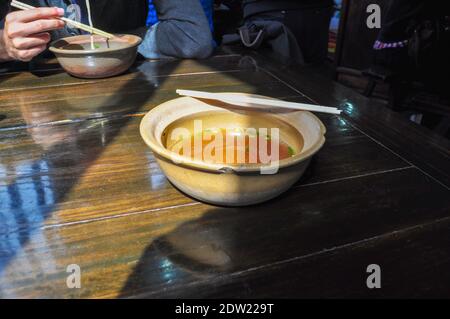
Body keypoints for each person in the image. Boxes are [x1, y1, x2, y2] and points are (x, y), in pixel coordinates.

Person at [0, 0, 214, 62]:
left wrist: (119, 42)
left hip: (130, 93)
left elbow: (191, 36)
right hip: (39, 104)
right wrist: (5, 46)